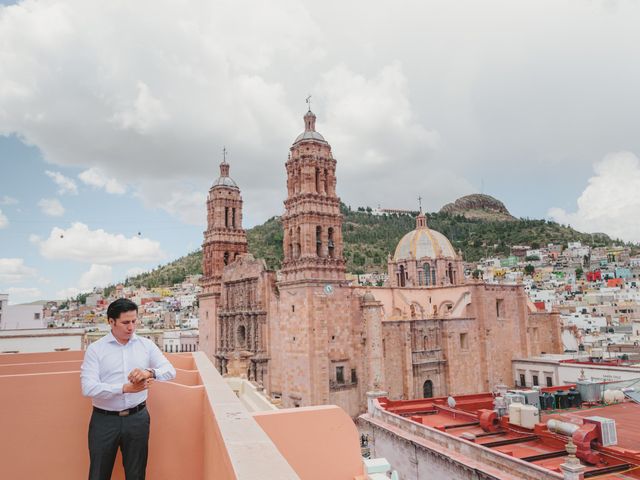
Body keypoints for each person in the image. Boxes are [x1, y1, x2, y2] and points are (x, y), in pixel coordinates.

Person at [81, 298, 176, 480]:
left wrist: (149, 373)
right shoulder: (96, 349)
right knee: (98, 474)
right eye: (125, 322)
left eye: (134, 321)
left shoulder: (146, 345)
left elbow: (170, 371)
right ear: (111, 321)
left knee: (136, 474)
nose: (131, 327)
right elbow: (88, 387)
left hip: (137, 419)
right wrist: (125, 388)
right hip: (104, 420)